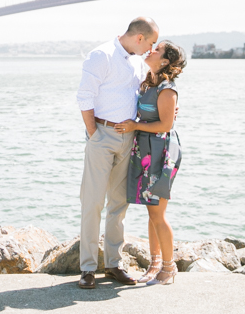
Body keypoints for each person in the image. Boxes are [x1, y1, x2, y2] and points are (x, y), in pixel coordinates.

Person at [75, 17, 160, 289]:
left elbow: (141, 93)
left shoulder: (137, 60)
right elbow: (84, 97)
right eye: (151, 42)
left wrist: (168, 107)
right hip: (102, 135)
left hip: (129, 138)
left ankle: (113, 264)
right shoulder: (101, 55)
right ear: (139, 38)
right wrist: (94, 134)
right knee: (92, 203)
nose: (152, 48)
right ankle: (87, 269)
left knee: (118, 204)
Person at [114, 40, 186, 286]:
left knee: (158, 213)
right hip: (145, 150)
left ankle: (168, 268)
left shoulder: (167, 89)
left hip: (160, 152)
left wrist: (134, 126)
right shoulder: (148, 83)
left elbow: (166, 126)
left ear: (165, 61)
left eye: (158, 49)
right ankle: (156, 264)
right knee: (152, 211)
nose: (151, 49)